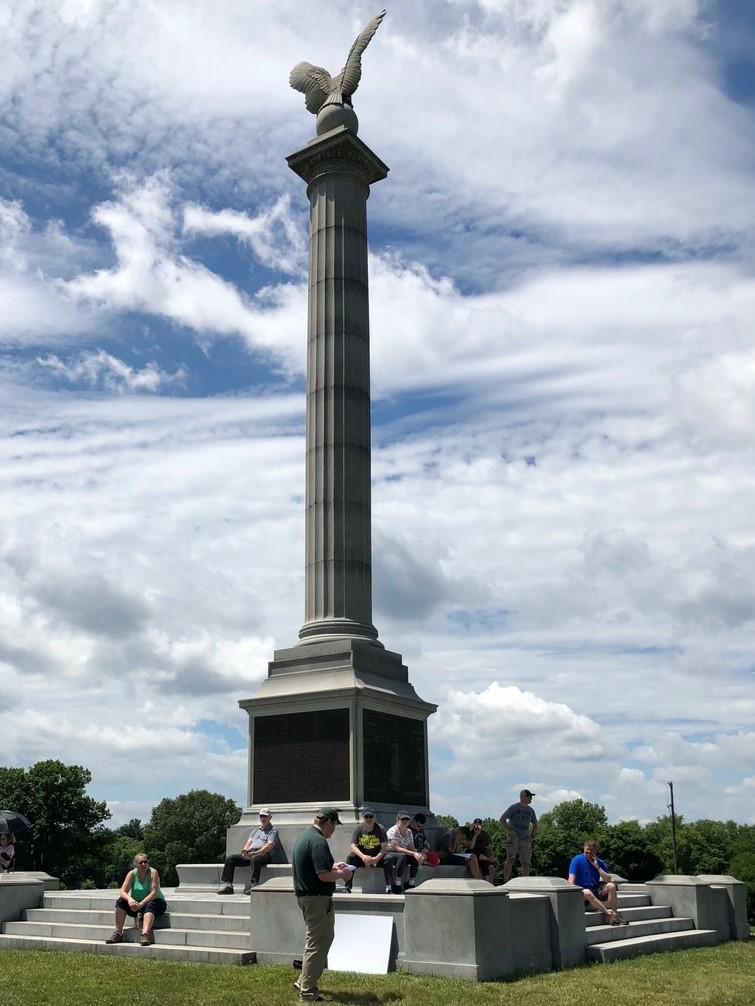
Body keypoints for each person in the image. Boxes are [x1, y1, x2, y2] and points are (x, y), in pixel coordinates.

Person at [291, 808, 351, 1003]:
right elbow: (323, 875)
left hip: (307, 897)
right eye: (334, 826)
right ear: (329, 823)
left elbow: (319, 868)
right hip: (317, 899)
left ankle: (303, 981)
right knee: (318, 943)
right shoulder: (318, 841)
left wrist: (334, 867)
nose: (334, 831)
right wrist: (344, 874)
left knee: (318, 940)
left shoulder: (305, 837)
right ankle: (307, 991)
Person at [105, 853, 167, 946]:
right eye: (140, 862)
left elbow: (153, 893)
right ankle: (118, 933)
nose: (143, 864)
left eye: (145, 862)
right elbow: (122, 891)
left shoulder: (153, 872)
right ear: (136, 864)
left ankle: (145, 935)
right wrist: (130, 900)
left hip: (156, 902)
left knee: (150, 905)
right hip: (137, 905)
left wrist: (141, 904)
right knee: (120, 902)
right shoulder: (132, 874)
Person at [217, 808, 278, 894]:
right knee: (230, 859)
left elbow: (269, 845)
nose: (263, 819)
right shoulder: (256, 830)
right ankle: (229, 886)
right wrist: (245, 851)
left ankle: (254, 885)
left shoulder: (273, 831)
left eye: (265, 816)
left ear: (270, 818)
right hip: (251, 854)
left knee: (255, 858)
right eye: (261, 816)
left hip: (264, 855)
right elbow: (248, 843)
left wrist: (256, 852)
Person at [568, 840, 628, 925]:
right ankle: (609, 914)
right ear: (584, 848)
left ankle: (615, 913)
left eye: (591, 850)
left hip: (596, 891)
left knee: (611, 886)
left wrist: (597, 867)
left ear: (595, 851)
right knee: (588, 892)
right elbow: (571, 880)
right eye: (587, 849)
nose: (588, 852)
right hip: (582, 892)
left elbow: (608, 879)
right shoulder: (577, 860)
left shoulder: (600, 862)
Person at [343, 807, 386, 893]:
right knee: (350, 858)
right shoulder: (358, 829)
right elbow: (353, 846)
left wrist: (376, 859)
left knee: (388, 859)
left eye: (371, 817)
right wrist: (363, 857)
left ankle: (389, 887)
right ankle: (348, 886)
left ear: (374, 817)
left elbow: (384, 848)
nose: (369, 819)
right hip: (362, 858)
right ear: (363, 818)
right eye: (367, 817)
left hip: (376, 857)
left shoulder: (381, 829)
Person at [500, 789, 537, 882]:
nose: (531, 798)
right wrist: (509, 830)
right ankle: (506, 880)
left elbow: (535, 824)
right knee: (510, 858)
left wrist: (531, 835)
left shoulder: (531, 810)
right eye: (529, 796)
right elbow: (502, 819)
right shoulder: (514, 807)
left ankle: (525, 882)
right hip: (514, 837)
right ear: (523, 797)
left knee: (526, 862)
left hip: (525, 838)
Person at [384, 811, 425, 893]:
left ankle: (410, 883)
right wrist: (413, 853)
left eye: (407, 819)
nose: (405, 821)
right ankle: (397, 883)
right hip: (390, 853)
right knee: (402, 856)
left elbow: (411, 847)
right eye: (403, 819)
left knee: (415, 857)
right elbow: (396, 848)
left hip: (403, 853)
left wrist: (418, 855)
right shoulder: (393, 830)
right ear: (397, 820)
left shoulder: (409, 832)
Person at [469, 817, 497, 883]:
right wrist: (475, 835)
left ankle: (487, 882)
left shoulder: (485, 835)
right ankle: (487, 859)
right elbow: (470, 847)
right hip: (473, 853)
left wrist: (492, 856)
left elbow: (489, 848)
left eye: (479, 825)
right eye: (476, 825)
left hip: (483, 855)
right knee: (472, 852)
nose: (477, 827)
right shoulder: (470, 834)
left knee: (485, 864)